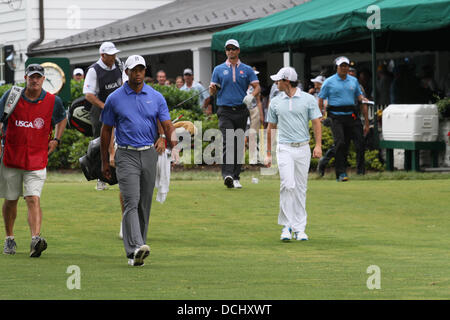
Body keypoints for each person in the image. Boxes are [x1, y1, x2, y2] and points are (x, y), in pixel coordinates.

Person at [100, 55, 179, 267]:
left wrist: (171, 141)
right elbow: (106, 130)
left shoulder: (156, 97)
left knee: (144, 204)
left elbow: (167, 124)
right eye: (134, 70)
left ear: (145, 72)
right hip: (126, 155)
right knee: (131, 201)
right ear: (126, 72)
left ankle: (138, 251)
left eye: (141, 69)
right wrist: (106, 161)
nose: (138, 73)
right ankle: (134, 248)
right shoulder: (114, 98)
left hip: (149, 154)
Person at [0, 64, 67, 257]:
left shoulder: (53, 101)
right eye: (31, 77)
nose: (34, 80)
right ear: (26, 78)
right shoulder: (11, 96)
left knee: (32, 198)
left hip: (37, 159)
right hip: (11, 157)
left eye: (38, 77)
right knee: (11, 200)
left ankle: (35, 239)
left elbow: (62, 119)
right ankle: (9, 238)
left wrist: (56, 139)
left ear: (43, 79)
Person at [264, 67, 322, 241]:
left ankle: (299, 228)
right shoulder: (275, 101)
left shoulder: (308, 99)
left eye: (278, 81)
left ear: (287, 81)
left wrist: (318, 145)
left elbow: (316, 122)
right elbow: (270, 128)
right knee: (288, 185)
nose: (276, 83)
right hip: (284, 148)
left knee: (300, 188)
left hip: (303, 148)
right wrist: (268, 152)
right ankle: (286, 227)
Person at [209, 39, 260, 189]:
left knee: (238, 143)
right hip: (224, 110)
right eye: (228, 49)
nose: (230, 51)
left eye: (233, 48)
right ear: (226, 51)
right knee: (228, 141)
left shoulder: (247, 69)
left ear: (238, 50)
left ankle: (236, 177)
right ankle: (228, 175)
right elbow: (213, 91)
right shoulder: (218, 69)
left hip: (241, 110)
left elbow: (257, 87)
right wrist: (212, 89)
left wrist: (251, 96)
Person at [318, 56, 369, 182]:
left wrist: (363, 99)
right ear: (337, 67)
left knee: (360, 142)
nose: (344, 68)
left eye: (346, 65)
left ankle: (360, 172)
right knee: (340, 143)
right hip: (336, 116)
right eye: (342, 66)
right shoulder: (329, 82)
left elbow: (358, 96)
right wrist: (320, 115)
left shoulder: (353, 81)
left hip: (351, 115)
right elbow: (320, 99)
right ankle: (341, 173)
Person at [83, 41, 123, 192]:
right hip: (100, 110)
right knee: (102, 144)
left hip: (119, 110)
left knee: (120, 141)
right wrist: (105, 107)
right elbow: (88, 95)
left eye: (114, 54)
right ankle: (101, 178)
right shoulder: (94, 70)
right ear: (102, 55)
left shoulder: (119, 65)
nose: (113, 57)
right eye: (110, 55)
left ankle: (118, 175)